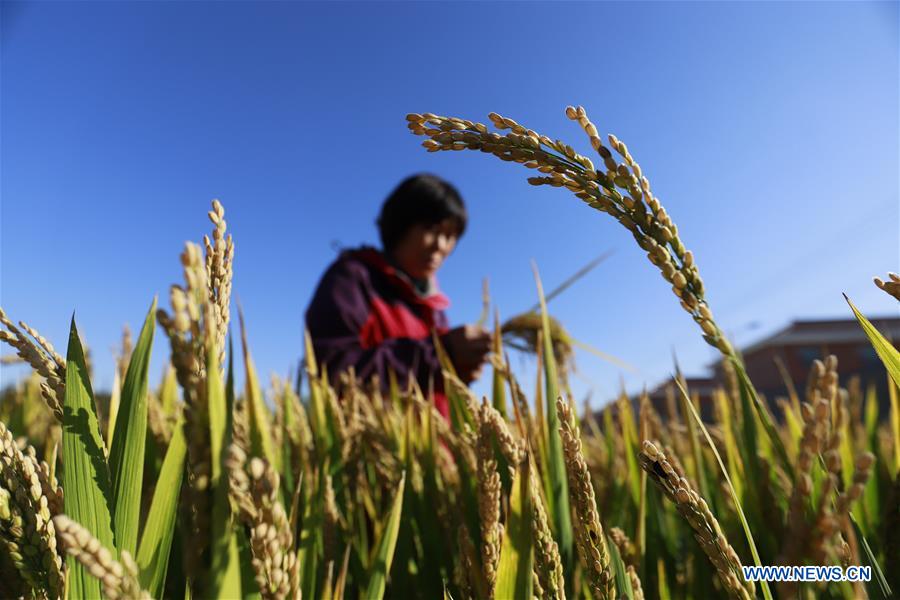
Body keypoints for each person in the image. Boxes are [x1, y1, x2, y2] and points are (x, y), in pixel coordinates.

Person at [304, 173, 491, 420]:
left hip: (435, 444)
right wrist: (441, 353)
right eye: (431, 229)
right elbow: (334, 371)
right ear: (400, 225)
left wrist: (458, 372)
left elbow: (434, 392)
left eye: (450, 235)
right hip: (371, 442)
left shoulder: (436, 309)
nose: (441, 245)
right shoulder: (354, 280)